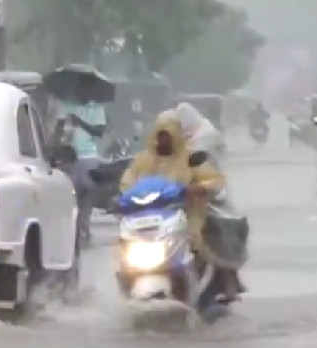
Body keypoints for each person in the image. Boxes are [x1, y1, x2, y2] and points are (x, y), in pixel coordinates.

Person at [120, 112, 246, 301]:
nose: (163, 140)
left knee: (198, 239)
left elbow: (213, 179)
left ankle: (212, 279)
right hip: (146, 215)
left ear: (176, 135)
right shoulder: (142, 160)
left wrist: (199, 188)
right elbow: (127, 183)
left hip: (185, 211)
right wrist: (122, 196)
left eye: (167, 135)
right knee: (123, 246)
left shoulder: (189, 158)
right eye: (160, 135)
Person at [54, 77, 108, 243]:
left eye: (86, 88)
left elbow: (99, 131)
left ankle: (84, 226)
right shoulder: (68, 105)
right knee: (72, 195)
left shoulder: (97, 108)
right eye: (80, 87)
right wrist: (62, 127)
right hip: (70, 156)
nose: (82, 91)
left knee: (88, 194)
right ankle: (74, 228)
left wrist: (81, 123)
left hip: (89, 155)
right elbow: (58, 129)